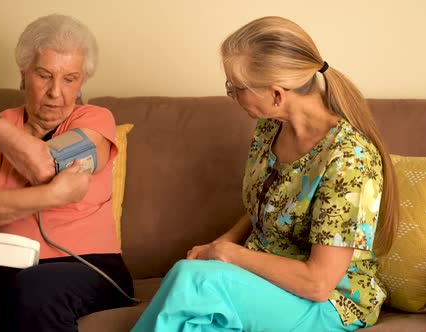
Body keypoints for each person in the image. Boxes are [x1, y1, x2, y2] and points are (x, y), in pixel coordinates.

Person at [132, 16, 398, 332]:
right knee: (186, 276)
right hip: (267, 283)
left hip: (329, 304)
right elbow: (269, 204)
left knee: (196, 283)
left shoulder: (349, 158)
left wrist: (228, 255)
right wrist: (222, 242)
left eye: (236, 87)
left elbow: (318, 283)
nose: (232, 95)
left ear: (276, 94)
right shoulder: (269, 128)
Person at [0, 14, 134, 332]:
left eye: (70, 79)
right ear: (23, 74)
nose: (56, 92)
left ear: (82, 81)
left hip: (87, 264)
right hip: (0, 259)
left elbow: (46, 165)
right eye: (45, 75)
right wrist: (52, 195)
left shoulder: (96, 119)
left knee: (35, 288)